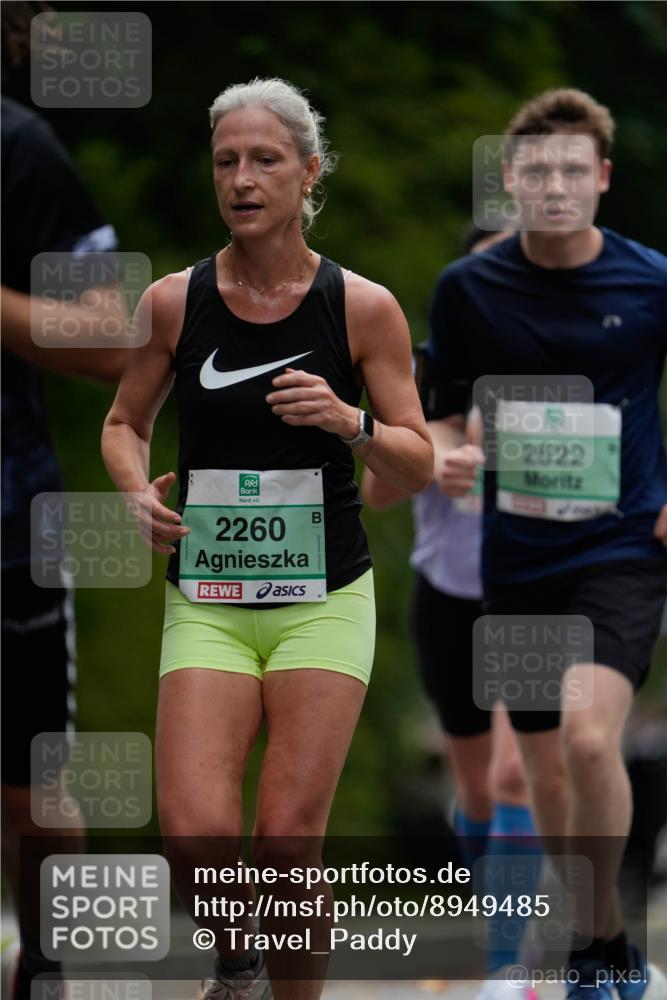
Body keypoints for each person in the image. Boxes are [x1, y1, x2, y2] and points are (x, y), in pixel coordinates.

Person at [102, 77, 432, 1000]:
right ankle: (238, 965)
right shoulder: (174, 302)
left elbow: (413, 461)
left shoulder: (361, 308)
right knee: (195, 836)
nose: (242, 179)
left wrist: (348, 421)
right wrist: (135, 492)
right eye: (225, 162)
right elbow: (124, 424)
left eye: (265, 160)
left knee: (287, 841)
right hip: (208, 598)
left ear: (308, 172)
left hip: (321, 600)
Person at [430, 88, 667, 1000]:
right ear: (510, 181)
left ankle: (602, 948)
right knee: (544, 779)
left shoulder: (650, 282)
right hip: (516, 560)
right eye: (538, 171)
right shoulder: (469, 291)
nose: (556, 186)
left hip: (617, 553)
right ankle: (595, 948)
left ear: (602, 178)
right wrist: (451, 459)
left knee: (586, 739)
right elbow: (443, 418)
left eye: (574, 170)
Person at [362, 219, 543, 1000]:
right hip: (449, 600)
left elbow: (607, 482)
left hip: (536, 593)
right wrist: (433, 461)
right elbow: (374, 491)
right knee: (473, 792)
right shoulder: (424, 371)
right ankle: (505, 926)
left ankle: (509, 964)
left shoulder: (562, 369)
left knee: (513, 775)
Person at [1, 4, 128, 997]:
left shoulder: (20, 150)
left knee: (31, 791)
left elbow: (111, 336)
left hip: (10, 526)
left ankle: (47, 970)